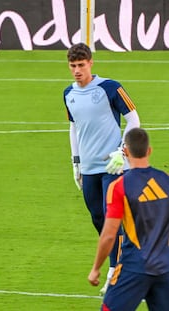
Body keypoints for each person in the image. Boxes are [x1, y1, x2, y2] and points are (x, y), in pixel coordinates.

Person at [63, 43, 140, 294]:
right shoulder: (68, 94)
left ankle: (114, 272)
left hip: (114, 166)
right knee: (97, 217)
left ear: (90, 63)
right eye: (73, 66)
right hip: (88, 167)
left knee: (111, 218)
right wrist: (76, 162)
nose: (77, 71)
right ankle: (121, 260)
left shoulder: (110, 87)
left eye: (81, 65)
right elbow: (74, 127)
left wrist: (122, 151)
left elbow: (134, 119)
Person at [88, 127, 169, 311]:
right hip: (165, 267)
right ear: (149, 150)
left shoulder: (119, 187)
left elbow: (109, 235)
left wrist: (96, 268)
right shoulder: (165, 180)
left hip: (135, 266)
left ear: (125, 152)